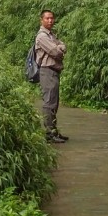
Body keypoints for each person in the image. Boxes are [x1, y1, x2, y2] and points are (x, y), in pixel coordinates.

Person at [34, 9, 68, 143]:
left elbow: (63, 46)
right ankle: (49, 134)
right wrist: (59, 47)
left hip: (54, 71)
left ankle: (54, 131)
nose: (50, 20)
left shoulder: (51, 35)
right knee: (49, 103)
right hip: (47, 71)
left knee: (54, 102)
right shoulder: (42, 36)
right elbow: (56, 52)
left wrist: (60, 47)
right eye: (47, 18)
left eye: (52, 18)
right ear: (41, 20)